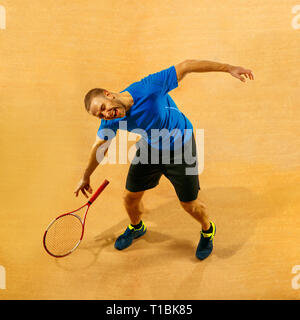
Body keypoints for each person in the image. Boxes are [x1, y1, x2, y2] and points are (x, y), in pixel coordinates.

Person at [74, 59, 254, 260]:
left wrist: (229, 68)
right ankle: (137, 227)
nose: (106, 115)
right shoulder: (112, 120)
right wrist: (85, 177)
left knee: (190, 205)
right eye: (101, 116)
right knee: (130, 198)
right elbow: (99, 147)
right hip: (150, 148)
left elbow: (187, 66)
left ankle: (207, 230)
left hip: (180, 147)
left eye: (104, 107)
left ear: (109, 94)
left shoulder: (148, 88)